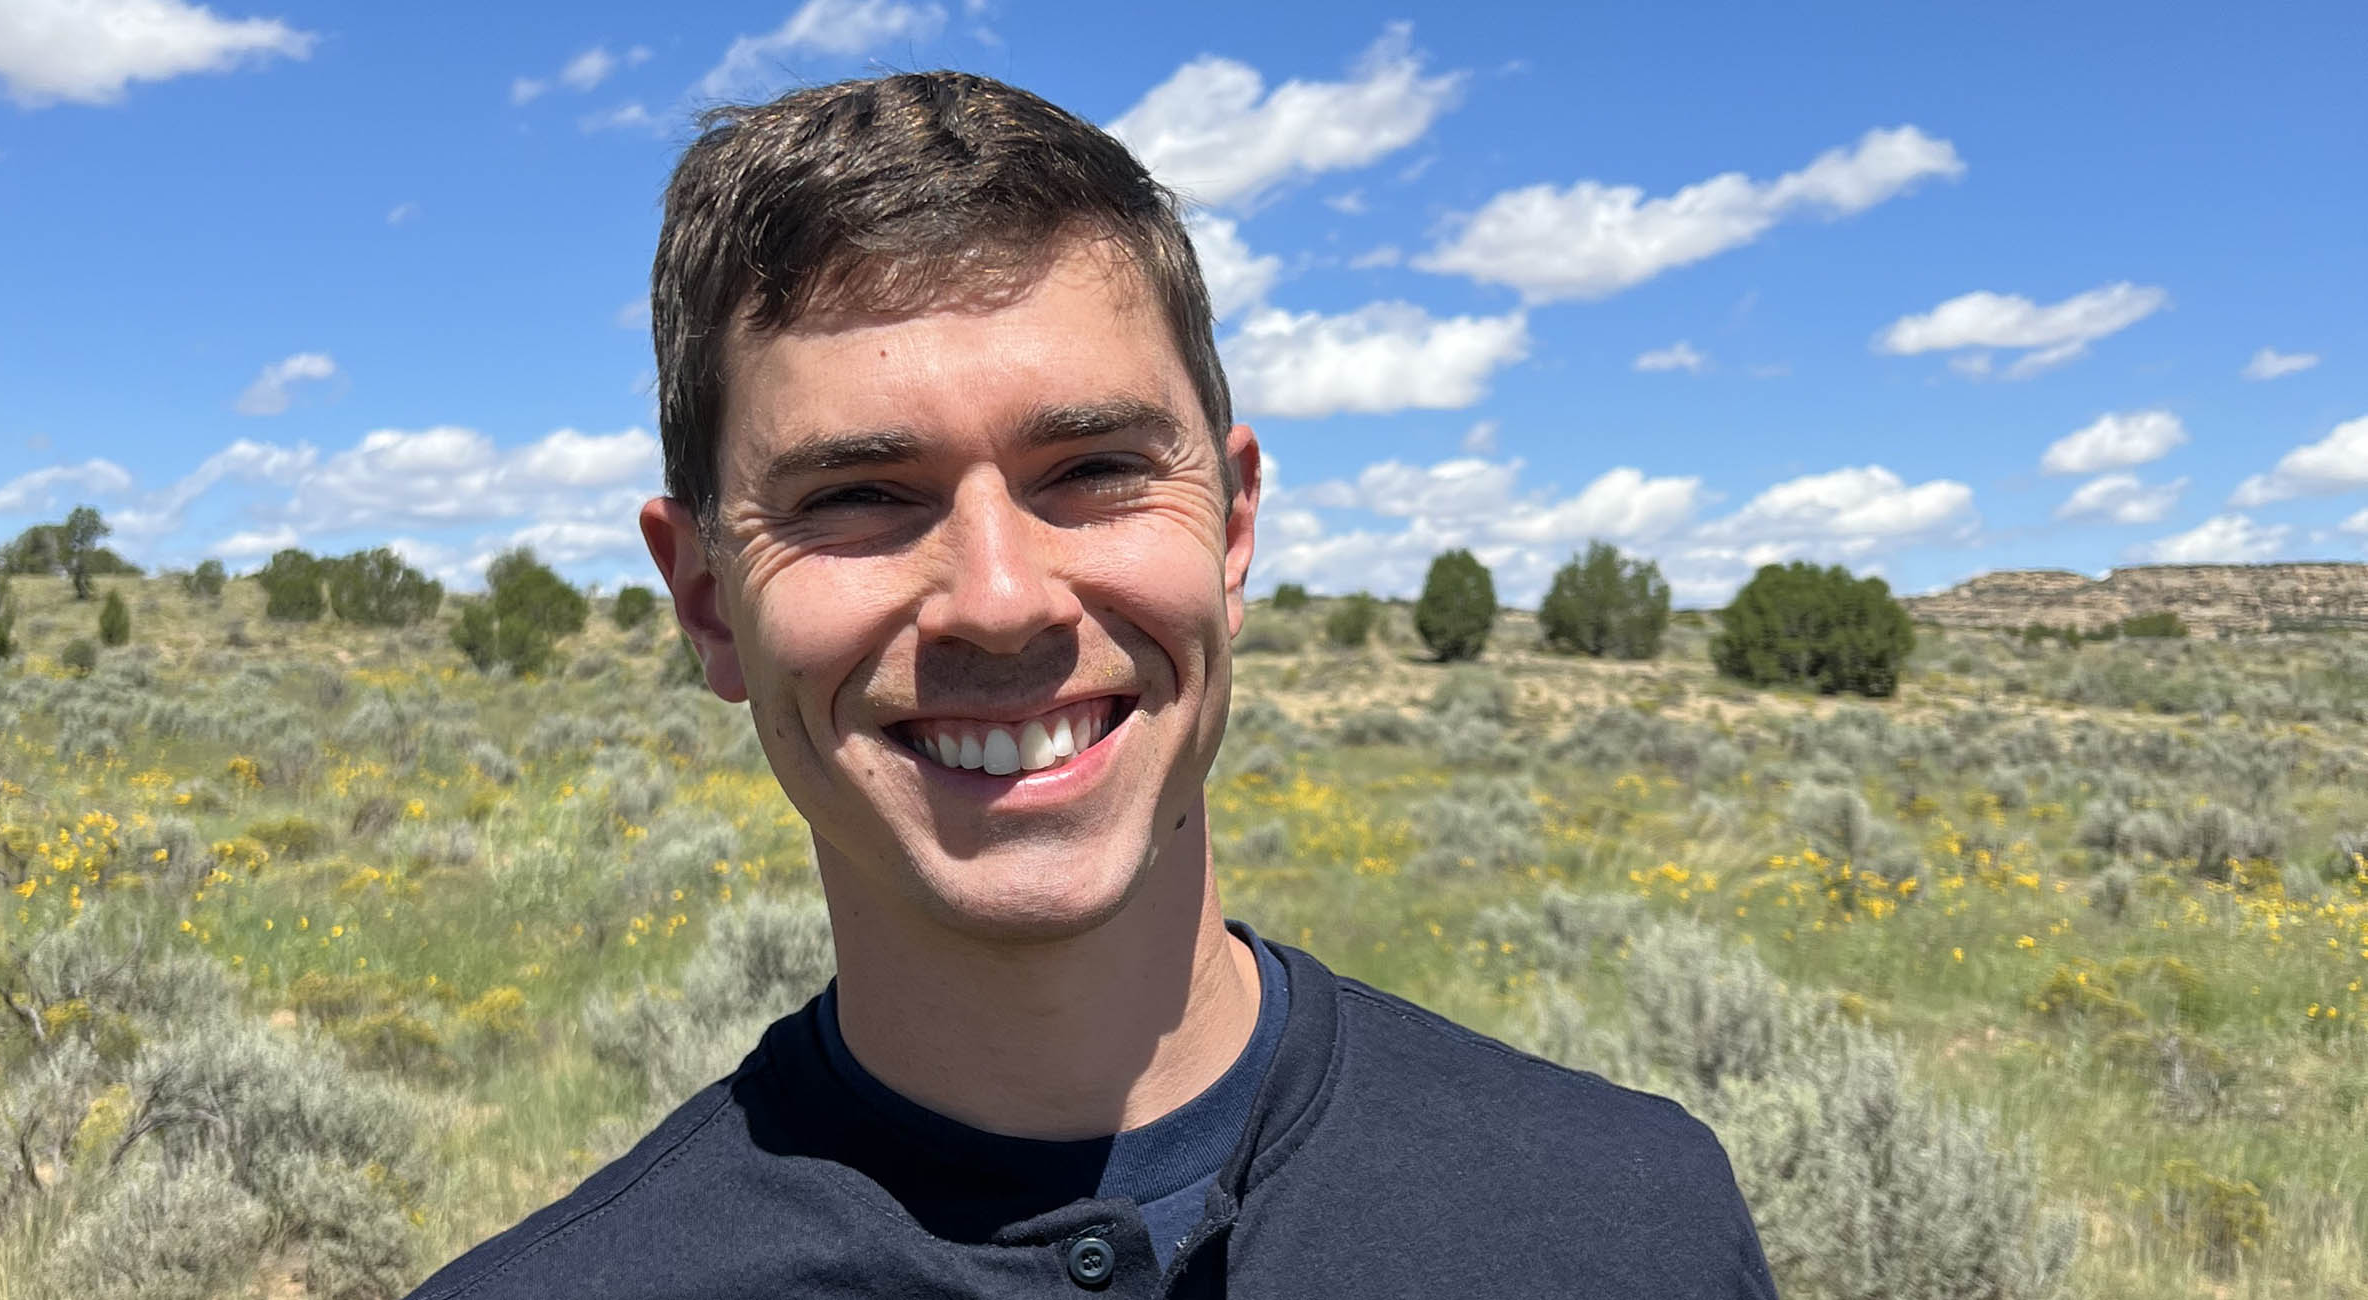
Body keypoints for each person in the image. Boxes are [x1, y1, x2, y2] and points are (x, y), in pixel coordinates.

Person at [405, 70, 1778, 1299]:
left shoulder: (1626, 1224)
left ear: (1232, 531)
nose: (1001, 600)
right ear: (706, 598)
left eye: (1096, 470)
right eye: (863, 494)